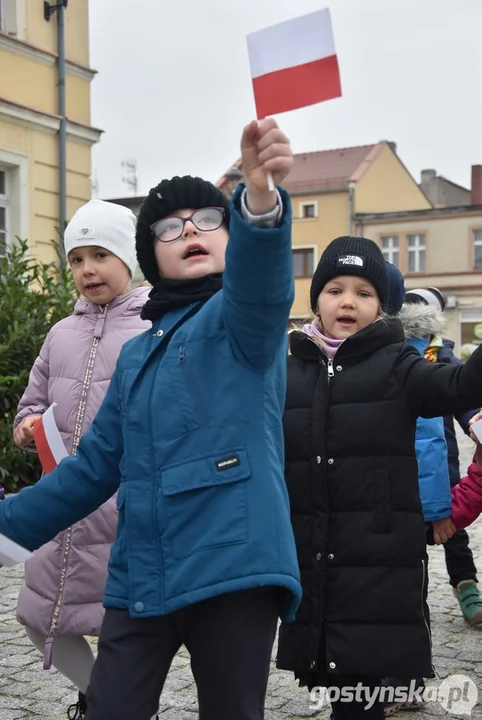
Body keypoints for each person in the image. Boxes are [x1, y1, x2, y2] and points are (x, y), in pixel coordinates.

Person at [0, 118, 302, 720]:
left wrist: (261, 202)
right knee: (110, 708)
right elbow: (91, 469)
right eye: (169, 226)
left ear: (230, 235)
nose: (190, 228)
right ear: (150, 255)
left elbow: (263, 288)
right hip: (142, 571)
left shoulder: (241, 322)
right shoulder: (139, 351)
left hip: (232, 567)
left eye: (209, 219)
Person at [277, 236, 482, 720]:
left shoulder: (399, 364)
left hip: (377, 560)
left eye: (364, 292)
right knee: (331, 678)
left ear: (382, 307)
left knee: (361, 693)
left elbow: (457, 386)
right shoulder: (286, 368)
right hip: (312, 554)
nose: (348, 301)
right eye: (335, 289)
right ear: (317, 299)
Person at [11, 199, 150, 719]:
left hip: (123, 507)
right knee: (38, 614)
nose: (87, 269)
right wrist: (27, 427)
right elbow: (31, 405)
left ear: (128, 259)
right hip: (61, 507)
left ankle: (119, 706)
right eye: (76, 259)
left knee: (117, 623)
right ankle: (108, 702)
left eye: (100, 254)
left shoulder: (152, 329)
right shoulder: (59, 334)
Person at [382, 266, 452, 715]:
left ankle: (408, 677)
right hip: (359, 498)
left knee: (407, 590)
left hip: (405, 502)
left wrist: (436, 510)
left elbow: (429, 438)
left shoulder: (408, 354)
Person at [404, 288, 482, 627]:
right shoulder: (395, 356)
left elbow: (464, 398)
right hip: (402, 465)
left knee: (454, 534)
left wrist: (474, 427)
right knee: (407, 537)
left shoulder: (445, 358)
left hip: (443, 466)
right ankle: (409, 597)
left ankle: (466, 586)